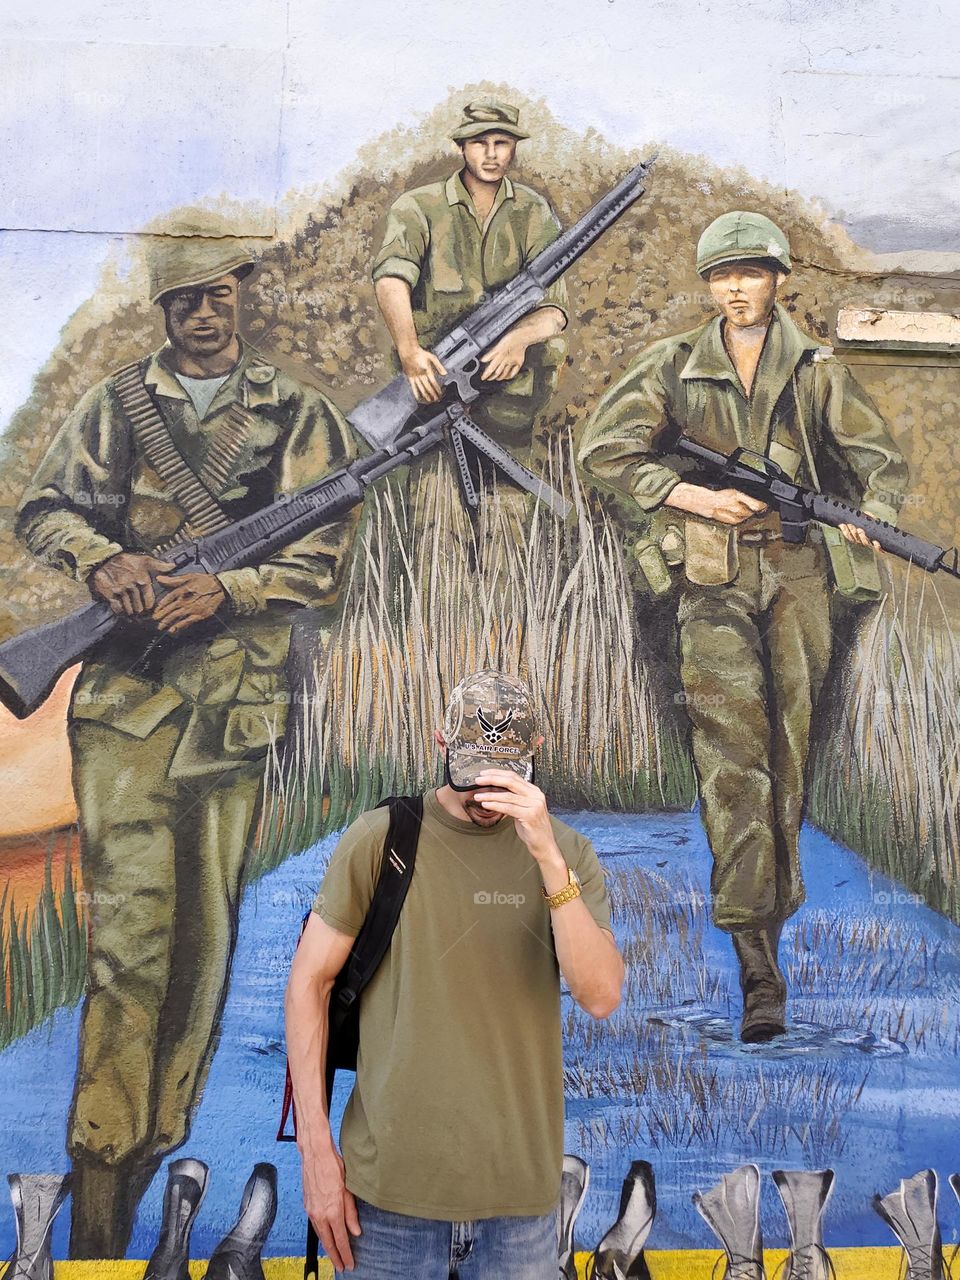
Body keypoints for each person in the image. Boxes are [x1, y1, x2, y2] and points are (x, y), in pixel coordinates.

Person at [14, 227, 359, 1258]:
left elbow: (325, 559)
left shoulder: (298, 413)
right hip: (126, 709)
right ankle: (100, 1174)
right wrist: (103, 558)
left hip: (234, 711)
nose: (204, 315)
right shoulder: (120, 406)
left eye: (217, 297)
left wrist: (233, 586)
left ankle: (149, 1154)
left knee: (202, 959)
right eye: (184, 302)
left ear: (237, 300)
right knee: (131, 951)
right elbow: (46, 506)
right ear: (163, 312)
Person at [578, 211, 908, 1043]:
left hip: (798, 573)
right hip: (712, 575)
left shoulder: (817, 372)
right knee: (732, 763)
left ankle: (773, 928)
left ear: (777, 279)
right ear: (708, 285)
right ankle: (756, 965)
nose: (736, 287)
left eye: (751, 272)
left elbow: (879, 462)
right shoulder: (672, 367)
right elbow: (605, 449)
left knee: (789, 759)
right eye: (722, 274)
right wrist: (689, 495)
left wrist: (873, 515)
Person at [284, 669, 623, 1278]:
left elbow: (599, 995)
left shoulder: (567, 853)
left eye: (505, 772)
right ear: (441, 743)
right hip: (386, 1205)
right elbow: (309, 983)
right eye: (470, 774)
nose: (484, 794)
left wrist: (546, 856)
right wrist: (315, 1152)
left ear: (536, 753)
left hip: (520, 1210)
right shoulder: (381, 840)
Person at [371, 100, 569, 555]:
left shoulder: (533, 212)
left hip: (509, 412)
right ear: (462, 146)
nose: (492, 153)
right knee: (437, 534)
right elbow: (391, 277)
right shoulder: (418, 208)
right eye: (481, 142)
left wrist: (519, 339)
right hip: (433, 404)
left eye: (502, 143)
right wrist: (408, 350)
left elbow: (556, 309)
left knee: (511, 538)